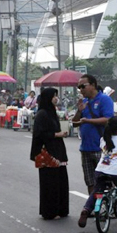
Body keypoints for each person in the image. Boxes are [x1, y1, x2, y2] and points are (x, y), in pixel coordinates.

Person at [78, 116, 117, 229]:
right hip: (115, 172)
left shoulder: (103, 139)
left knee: (96, 191)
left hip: (100, 169)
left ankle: (86, 209)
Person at [71, 74, 114, 195]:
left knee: (106, 180)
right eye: (79, 87)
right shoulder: (84, 102)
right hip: (85, 148)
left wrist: (88, 120)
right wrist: (79, 111)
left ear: (93, 85)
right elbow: (74, 124)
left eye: (83, 86)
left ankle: (109, 207)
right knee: (90, 182)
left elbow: (108, 119)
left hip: (101, 148)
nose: (81, 89)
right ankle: (93, 207)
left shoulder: (104, 99)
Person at [30, 88, 69, 220]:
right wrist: (56, 134)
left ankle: (61, 209)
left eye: (56, 96)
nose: (56, 98)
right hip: (48, 152)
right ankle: (50, 211)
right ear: (48, 98)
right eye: (54, 96)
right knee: (50, 183)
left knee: (60, 181)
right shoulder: (42, 114)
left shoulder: (53, 113)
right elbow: (38, 134)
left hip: (57, 150)